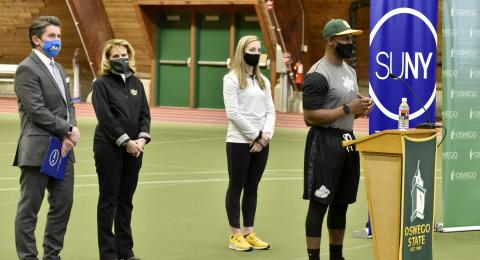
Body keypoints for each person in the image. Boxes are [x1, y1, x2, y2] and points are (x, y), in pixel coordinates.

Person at [302, 19, 373, 260]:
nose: (350, 43)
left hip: (348, 141)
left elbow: (347, 104)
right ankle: (313, 257)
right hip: (324, 143)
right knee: (320, 202)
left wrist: (361, 108)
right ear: (330, 41)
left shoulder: (350, 70)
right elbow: (310, 117)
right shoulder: (317, 74)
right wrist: (347, 109)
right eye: (345, 39)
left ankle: (336, 256)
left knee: (341, 202)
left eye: (351, 39)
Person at [13, 16, 80, 260]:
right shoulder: (26, 69)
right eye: (52, 36)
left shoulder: (59, 67)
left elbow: (68, 105)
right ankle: (28, 257)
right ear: (36, 39)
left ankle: (52, 255)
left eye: (59, 36)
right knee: (29, 209)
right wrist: (67, 129)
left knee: (63, 204)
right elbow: (36, 110)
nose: (57, 41)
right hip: (38, 149)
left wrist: (69, 132)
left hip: (63, 147)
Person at [92, 39, 151, 260]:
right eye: (115, 56)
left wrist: (141, 140)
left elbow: (145, 114)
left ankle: (125, 251)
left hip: (136, 149)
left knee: (126, 199)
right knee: (109, 200)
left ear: (130, 55)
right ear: (108, 60)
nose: (120, 59)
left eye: (123, 55)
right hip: (109, 148)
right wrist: (126, 141)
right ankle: (108, 254)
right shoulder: (101, 84)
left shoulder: (136, 83)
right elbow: (106, 118)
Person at [223, 35, 276, 252]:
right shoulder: (231, 79)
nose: (255, 53)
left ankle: (249, 232)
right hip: (239, 141)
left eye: (258, 49)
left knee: (252, 187)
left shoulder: (264, 81)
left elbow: (270, 111)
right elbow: (233, 113)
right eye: (251, 49)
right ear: (241, 52)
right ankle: (235, 235)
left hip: (262, 142)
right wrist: (255, 136)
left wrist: (265, 137)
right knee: (237, 186)